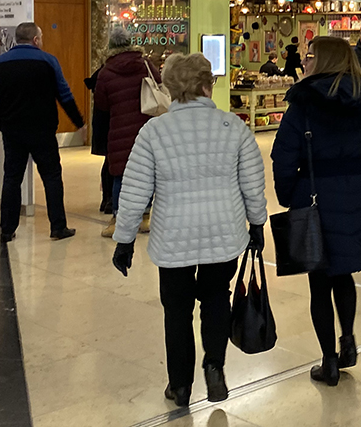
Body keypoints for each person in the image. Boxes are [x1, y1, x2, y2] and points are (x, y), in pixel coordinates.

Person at [110, 53, 267, 407]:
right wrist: (257, 223)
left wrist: (125, 240)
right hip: (223, 233)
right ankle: (214, 367)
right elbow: (252, 184)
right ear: (206, 86)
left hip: (173, 238)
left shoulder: (154, 131)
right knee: (217, 298)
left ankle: (180, 385)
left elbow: (134, 191)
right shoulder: (233, 127)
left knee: (176, 310)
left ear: (170, 87)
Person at [271, 36, 361, 386]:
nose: (305, 61)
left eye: (310, 56)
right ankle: (348, 340)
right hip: (355, 193)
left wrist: (288, 194)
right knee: (343, 272)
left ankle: (329, 361)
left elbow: (284, 155)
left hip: (314, 195)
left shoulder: (303, 101)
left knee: (319, 280)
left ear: (322, 60)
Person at [0, 22, 84, 242]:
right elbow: (64, 95)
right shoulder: (48, 61)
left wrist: (1, 123)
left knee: (12, 178)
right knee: (52, 177)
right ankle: (58, 226)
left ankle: (7, 229)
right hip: (43, 130)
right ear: (36, 40)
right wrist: (79, 122)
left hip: (13, 131)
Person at [93, 28, 160, 237]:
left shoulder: (106, 72)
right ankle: (145, 217)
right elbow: (159, 84)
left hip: (118, 129)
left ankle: (118, 218)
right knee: (146, 173)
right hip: (146, 127)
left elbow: (101, 104)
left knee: (120, 174)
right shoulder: (145, 64)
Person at [83, 60, 113, 214]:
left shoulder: (102, 73)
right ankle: (110, 199)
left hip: (103, 122)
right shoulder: (110, 73)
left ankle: (106, 198)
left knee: (109, 161)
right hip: (113, 122)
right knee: (113, 162)